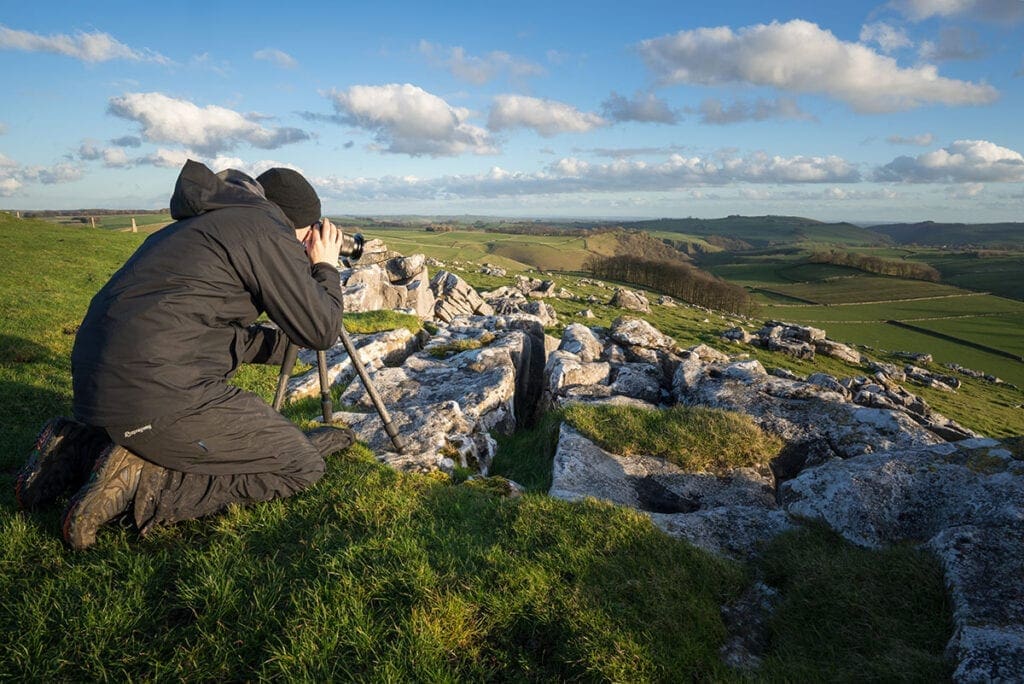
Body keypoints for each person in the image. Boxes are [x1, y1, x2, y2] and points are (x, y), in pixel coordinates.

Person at [15, 160, 356, 550]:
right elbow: (322, 329)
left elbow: (199, 323)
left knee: (268, 442)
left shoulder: (203, 224)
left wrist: (280, 348)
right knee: (301, 464)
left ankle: (79, 448)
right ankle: (144, 482)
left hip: (98, 388)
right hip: (157, 391)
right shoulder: (266, 230)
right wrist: (325, 266)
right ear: (297, 222)